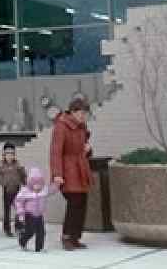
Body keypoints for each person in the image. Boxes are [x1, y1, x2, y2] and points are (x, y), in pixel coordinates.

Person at [49, 98, 93, 251]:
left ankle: (75, 237)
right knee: (74, 202)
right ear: (73, 112)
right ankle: (67, 236)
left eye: (85, 114)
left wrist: (88, 150)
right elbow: (55, 152)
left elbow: (84, 148)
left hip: (80, 169)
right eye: (81, 113)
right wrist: (57, 174)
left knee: (82, 202)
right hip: (68, 170)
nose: (84, 116)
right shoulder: (61, 126)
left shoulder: (82, 127)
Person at [14, 167, 59, 252]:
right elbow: (18, 201)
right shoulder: (25, 191)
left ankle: (39, 248)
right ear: (30, 183)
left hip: (39, 215)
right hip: (29, 215)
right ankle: (22, 240)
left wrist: (57, 184)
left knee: (41, 232)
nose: (37, 186)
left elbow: (52, 190)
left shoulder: (44, 190)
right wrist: (20, 213)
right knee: (30, 231)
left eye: (39, 183)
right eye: (34, 183)